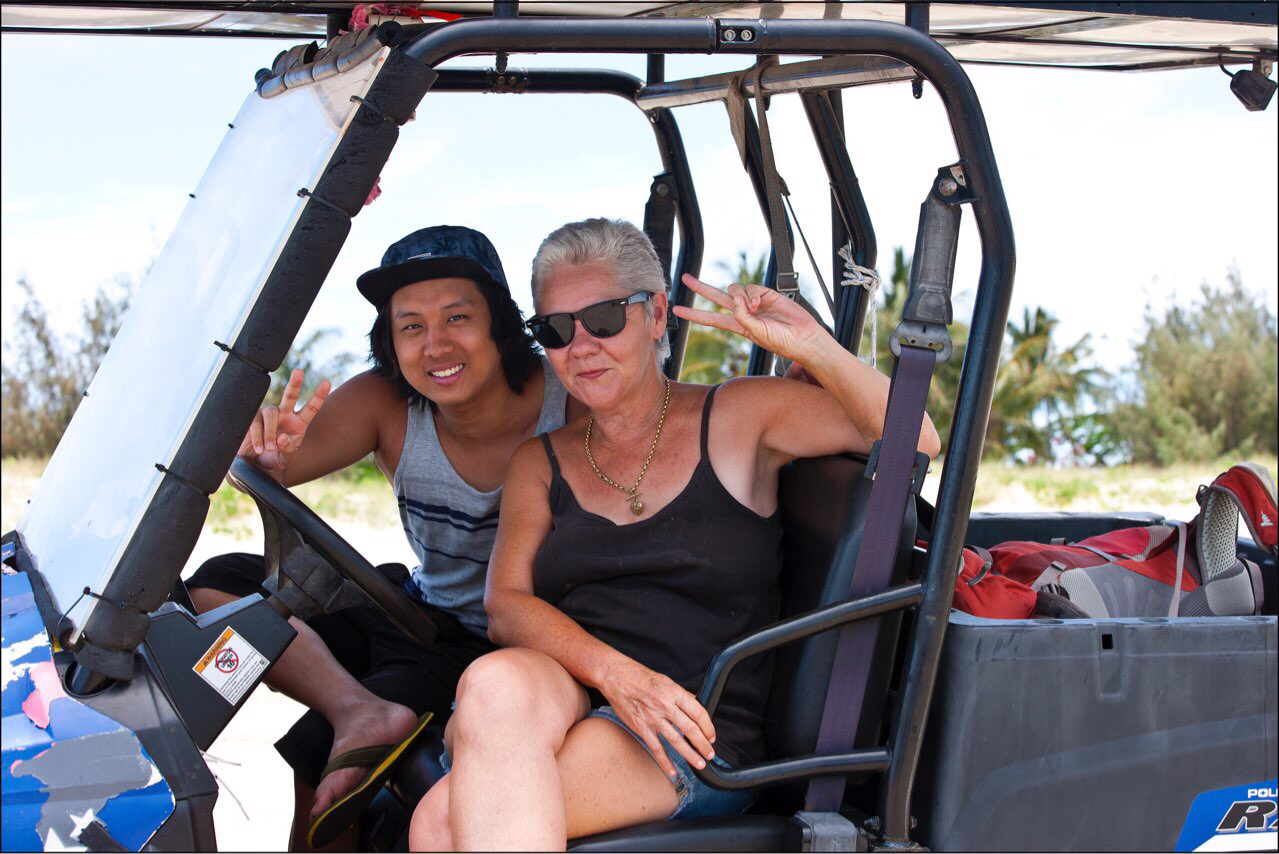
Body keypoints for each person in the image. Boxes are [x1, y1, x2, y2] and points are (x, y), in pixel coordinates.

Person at [408, 217, 940, 850]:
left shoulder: (740, 415)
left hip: (688, 724)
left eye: (604, 318)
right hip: (576, 687)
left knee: (441, 825)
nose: (581, 347)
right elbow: (505, 605)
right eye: (556, 329)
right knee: (492, 682)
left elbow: (916, 438)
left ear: (657, 314)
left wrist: (811, 346)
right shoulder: (539, 461)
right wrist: (618, 677)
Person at [185, 225, 581, 850]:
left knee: (330, 761)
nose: (436, 344)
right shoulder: (385, 403)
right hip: (416, 610)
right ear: (391, 342)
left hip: (504, 645)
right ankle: (353, 708)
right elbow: (271, 462)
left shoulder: (568, 401)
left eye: (457, 317)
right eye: (411, 326)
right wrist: (264, 450)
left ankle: (355, 726)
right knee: (215, 592)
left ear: (501, 323)